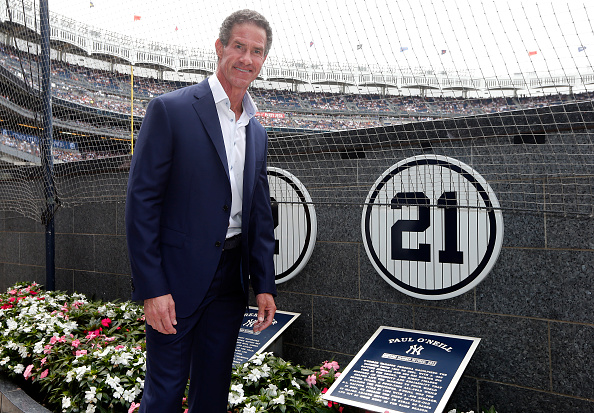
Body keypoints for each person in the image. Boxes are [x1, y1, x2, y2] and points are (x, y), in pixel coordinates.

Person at [125, 9, 277, 412]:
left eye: (257, 52)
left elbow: (259, 214)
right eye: (239, 47)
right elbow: (141, 205)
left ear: (264, 60)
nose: (247, 58)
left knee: (212, 393)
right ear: (219, 48)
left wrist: (264, 283)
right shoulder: (170, 110)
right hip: (175, 281)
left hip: (230, 282)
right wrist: (152, 289)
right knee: (164, 394)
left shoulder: (257, 130)